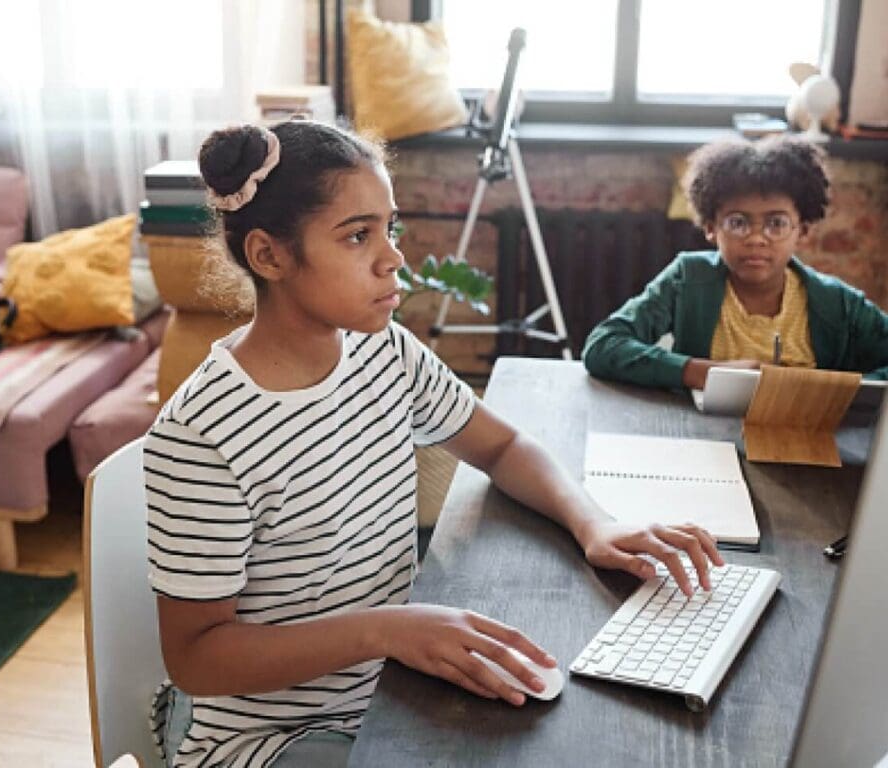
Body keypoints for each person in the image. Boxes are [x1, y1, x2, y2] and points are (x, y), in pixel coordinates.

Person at [143, 119, 722, 768]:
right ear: (270, 256)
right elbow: (195, 656)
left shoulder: (381, 349)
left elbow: (501, 448)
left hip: (387, 682)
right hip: (271, 737)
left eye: (391, 228)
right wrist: (386, 630)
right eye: (358, 236)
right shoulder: (204, 435)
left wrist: (594, 524)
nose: (393, 258)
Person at [582, 135, 888, 390]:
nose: (756, 238)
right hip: (703, 440)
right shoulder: (687, 279)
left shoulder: (838, 303)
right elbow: (603, 346)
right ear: (711, 228)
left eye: (777, 223)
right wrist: (704, 373)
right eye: (738, 223)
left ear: (803, 231)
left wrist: (841, 393)